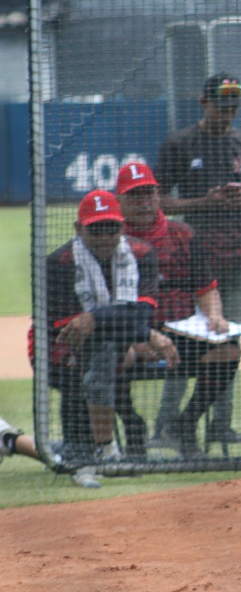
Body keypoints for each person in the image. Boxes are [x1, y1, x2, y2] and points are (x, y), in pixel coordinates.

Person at [154, 72, 241, 446]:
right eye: (222, 106)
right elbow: (159, 203)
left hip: (239, 256)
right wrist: (206, 201)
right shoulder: (181, 143)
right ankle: (165, 427)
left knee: (228, 342)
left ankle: (221, 426)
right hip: (193, 259)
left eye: (234, 106)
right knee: (184, 338)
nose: (228, 113)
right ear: (203, 103)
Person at [116, 162, 239, 458]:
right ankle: (133, 426)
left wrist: (215, 316)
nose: (144, 202)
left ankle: (184, 424)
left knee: (229, 350)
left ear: (159, 195)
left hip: (183, 330)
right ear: (119, 200)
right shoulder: (113, 239)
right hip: (131, 333)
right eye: (135, 196)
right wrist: (138, 335)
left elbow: (206, 287)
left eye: (149, 194)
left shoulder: (182, 233)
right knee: (115, 356)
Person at [45, 190, 165, 488]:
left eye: (110, 227)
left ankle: (93, 451)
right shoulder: (59, 262)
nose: (103, 236)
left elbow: (141, 313)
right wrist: (137, 331)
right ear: (78, 228)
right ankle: (88, 451)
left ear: (122, 227)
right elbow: (65, 328)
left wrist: (96, 318)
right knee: (91, 357)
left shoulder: (141, 253)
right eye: (95, 228)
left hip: (119, 343)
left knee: (103, 350)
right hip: (55, 345)